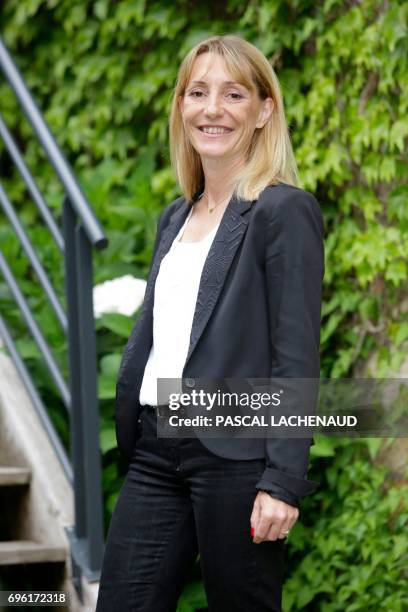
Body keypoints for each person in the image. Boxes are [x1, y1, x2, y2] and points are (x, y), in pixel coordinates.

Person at [96, 34, 325, 612]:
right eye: (197, 92)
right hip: (155, 446)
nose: (212, 109)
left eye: (233, 93)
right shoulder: (177, 215)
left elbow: (295, 354)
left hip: (237, 452)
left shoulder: (282, 210)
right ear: (181, 106)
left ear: (263, 110)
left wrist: (282, 479)